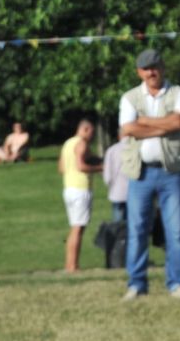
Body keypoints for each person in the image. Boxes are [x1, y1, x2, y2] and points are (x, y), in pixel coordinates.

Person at [118, 50, 180, 300]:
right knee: (137, 229)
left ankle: (177, 283)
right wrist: (163, 124)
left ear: (163, 67)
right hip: (140, 173)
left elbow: (178, 122)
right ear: (139, 72)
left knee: (176, 230)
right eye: (146, 68)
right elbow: (128, 129)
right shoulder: (129, 98)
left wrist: (145, 122)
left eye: (155, 67)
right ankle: (136, 283)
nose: (151, 72)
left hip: (172, 172)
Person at [60, 115, 104, 273]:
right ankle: (73, 266)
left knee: (74, 227)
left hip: (68, 188)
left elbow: (62, 168)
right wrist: (100, 168)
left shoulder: (67, 144)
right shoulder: (81, 144)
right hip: (80, 188)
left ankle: (69, 264)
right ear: (84, 129)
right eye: (91, 132)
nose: (91, 136)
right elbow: (81, 166)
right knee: (78, 228)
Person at [102, 122, 129, 227]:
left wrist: (109, 185)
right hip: (133, 192)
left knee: (118, 226)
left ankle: (120, 242)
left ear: (119, 136)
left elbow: (107, 175)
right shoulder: (136, 148)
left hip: (117, 192)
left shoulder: (111, 151)